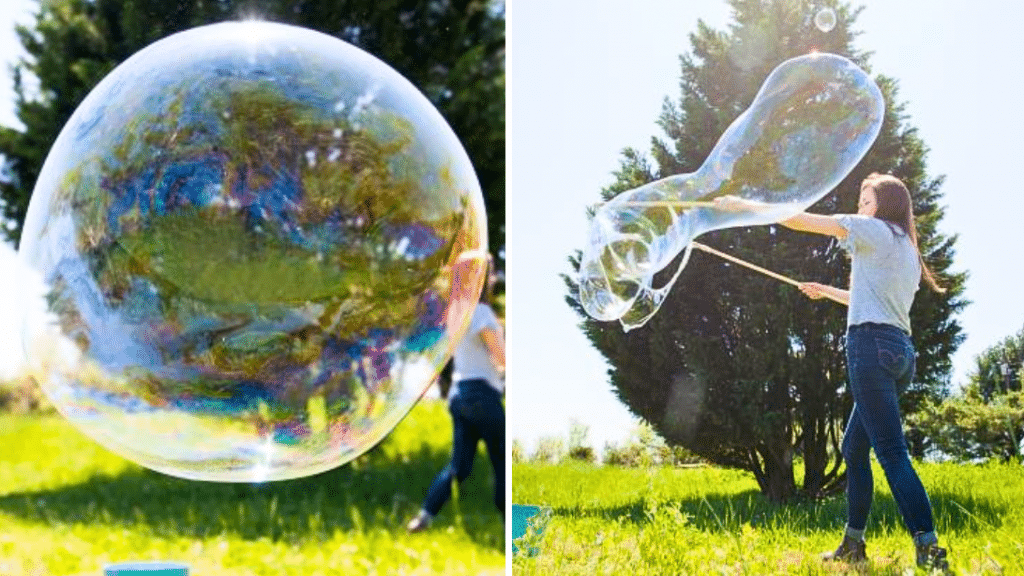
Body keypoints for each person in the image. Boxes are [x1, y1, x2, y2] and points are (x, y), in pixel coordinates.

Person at [715, 173, 949, 571]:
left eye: (866, 198)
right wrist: (827, 291)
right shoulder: (906, 248)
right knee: (854, 450)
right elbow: (873, 300)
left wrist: (745, 208)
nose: (860, 206)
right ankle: (853, 546)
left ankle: (928, 548)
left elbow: (802, 220)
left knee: (891, 452)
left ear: (884, 204)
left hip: (870, 350)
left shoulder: (870, 229)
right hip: (899, 353)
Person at [407, 255, 505, 533]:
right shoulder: (483, 314)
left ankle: (425, 516)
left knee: (459, 467)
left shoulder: (456, 313)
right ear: (484, 277)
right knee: (502, 462)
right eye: (491, 273)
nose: (494, 278)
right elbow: (502, 359)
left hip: (459, 396)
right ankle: (510, 525)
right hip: (482, 396)